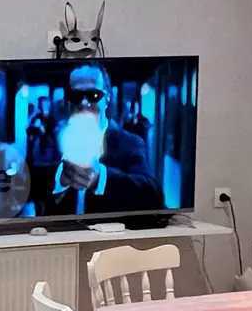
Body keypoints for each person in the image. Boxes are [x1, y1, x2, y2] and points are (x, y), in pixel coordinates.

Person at [36, 64, 161, 217]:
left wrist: (100, 177)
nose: (84, 103)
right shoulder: (53, 140)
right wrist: (60, 182)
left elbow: (152, 195)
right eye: (76, 95)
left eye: (93, 95)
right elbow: (35, 189)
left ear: (107, 99)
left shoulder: (130, 143)